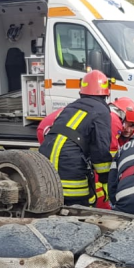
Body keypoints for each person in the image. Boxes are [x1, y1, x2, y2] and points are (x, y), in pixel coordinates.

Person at [38, 70, 113, 207]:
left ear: (81, 91)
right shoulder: (102, 112)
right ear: (107, 93)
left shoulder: (71, 107)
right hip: (69, 163)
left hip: (45, 159)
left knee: (51, 203)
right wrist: (106, 180)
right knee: (81, 208)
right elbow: (101, 149)